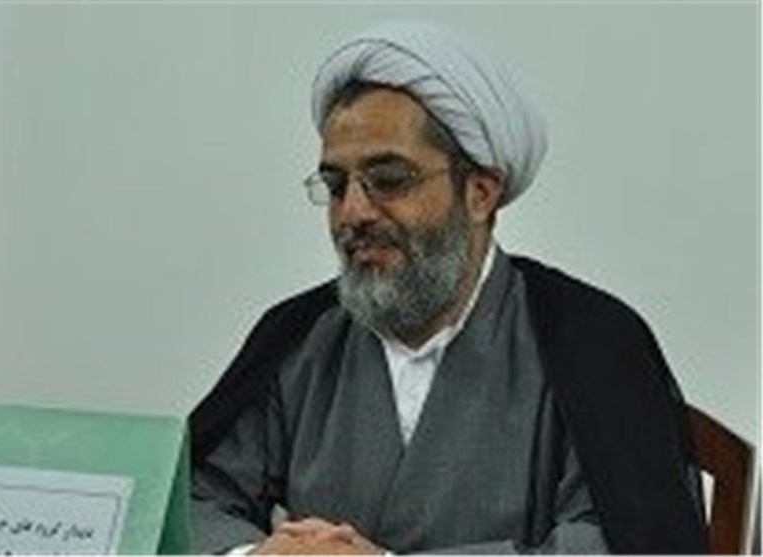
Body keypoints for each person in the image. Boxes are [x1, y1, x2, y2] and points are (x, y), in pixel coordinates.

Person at [189, 22, 708, 554]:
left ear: (480, 193)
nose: (353, 213)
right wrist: (257, 555)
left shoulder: (589, 339)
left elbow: (615, 543)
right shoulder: (300, 335)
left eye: (389, 180)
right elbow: (190, 497)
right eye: (337, 185)